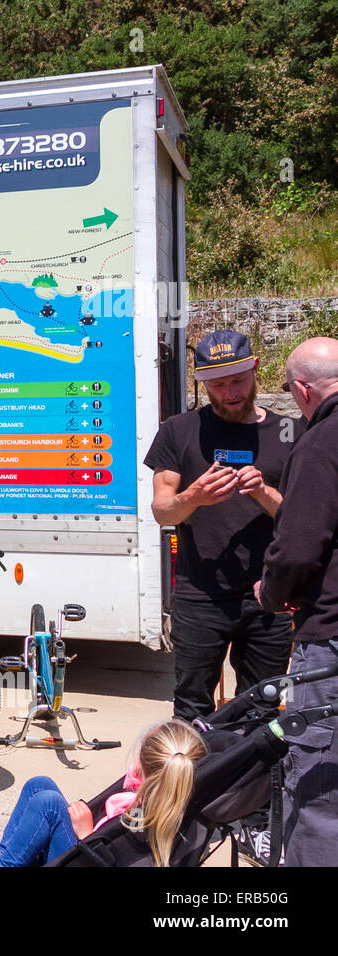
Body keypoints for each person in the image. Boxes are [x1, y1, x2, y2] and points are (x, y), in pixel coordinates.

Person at [144, 329, 298, 720]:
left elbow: (301, 521)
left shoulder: (292, 432)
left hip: (271, 596)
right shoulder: (179, 430)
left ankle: (253, 783)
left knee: (261, 710)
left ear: (256, 369)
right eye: (217, 384)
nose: (229, 392)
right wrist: (192, 498)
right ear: (203, 383)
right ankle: (192, 781)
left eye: (237, 381)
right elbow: (163, 511)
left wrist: (263, 491)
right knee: (191, 708)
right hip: (201, 596)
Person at [255, 336, 338, 867]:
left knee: (319, 794)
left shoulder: (320, 441)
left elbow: (300, 544)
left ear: (302, 390)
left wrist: (273, 591)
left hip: (330, 636)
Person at [0, 720, 208, 867]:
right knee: (39, 784)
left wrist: (87, 835)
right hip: (90, 850)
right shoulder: (178, 802)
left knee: (48, 803)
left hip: (92, 857)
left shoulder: (155, 818)